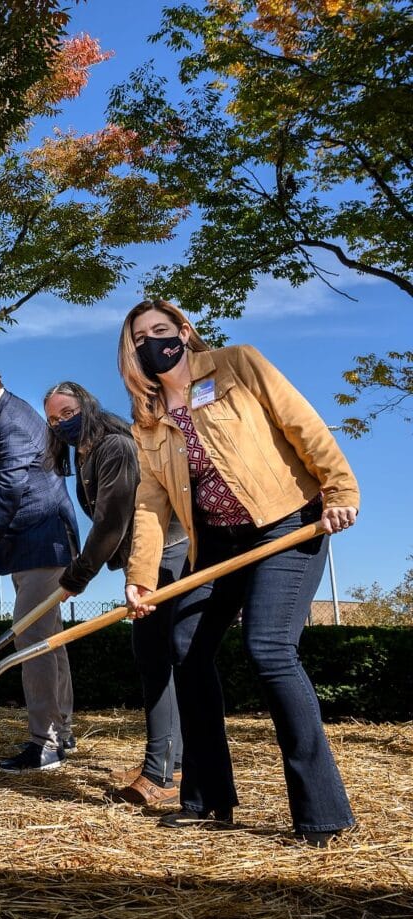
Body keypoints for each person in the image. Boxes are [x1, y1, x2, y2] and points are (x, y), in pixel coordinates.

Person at [118, 298, 359, 846]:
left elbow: (302, 423)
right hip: (219, 543)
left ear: (184, 329)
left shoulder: (237, 365)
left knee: (269, 649)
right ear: (132, 353)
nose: (152, 341)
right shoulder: (149, 419)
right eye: (139, 338)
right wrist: (142, 576)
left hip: (284, 523)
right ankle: (207, 800)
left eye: (161, 329)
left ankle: (323, 813)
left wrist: (339, 490)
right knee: (186, 645)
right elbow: (152, 502)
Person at [42, 381, 188, 806]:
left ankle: (160, 775)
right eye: (53, 419)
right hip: (147, 557)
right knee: (157, 654)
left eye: (67, 413)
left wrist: (77, 575)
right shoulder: (86, 453)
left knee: (155, 656)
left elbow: (112, 521)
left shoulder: (115, 446)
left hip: (168, 553)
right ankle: (171, 762)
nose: (61, 423)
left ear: (87, 405)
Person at [0, 350, 79, 773]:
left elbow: (10, 494)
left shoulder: (12, 422)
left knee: (32, 642)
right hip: (34, 542)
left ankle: (44, 744)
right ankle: (61, 733)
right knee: (48, 639)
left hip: (43, 539)